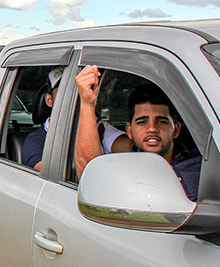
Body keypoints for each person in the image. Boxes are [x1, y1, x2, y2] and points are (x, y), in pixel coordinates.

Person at [75, 71, 201, 201]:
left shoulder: (202, 167)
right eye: (142, 122)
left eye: (162, 121)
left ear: (176, 129)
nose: (152, 129)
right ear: (129, 131)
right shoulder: (118, 171)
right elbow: (89, 181)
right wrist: (87, 104)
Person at [22, 66, 129, 171]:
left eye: (79, 89)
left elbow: (128, 149)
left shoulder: (101, 129)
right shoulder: (36, 141)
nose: (76, 95)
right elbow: (50, 178)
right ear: (49, 100)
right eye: (65, 91)